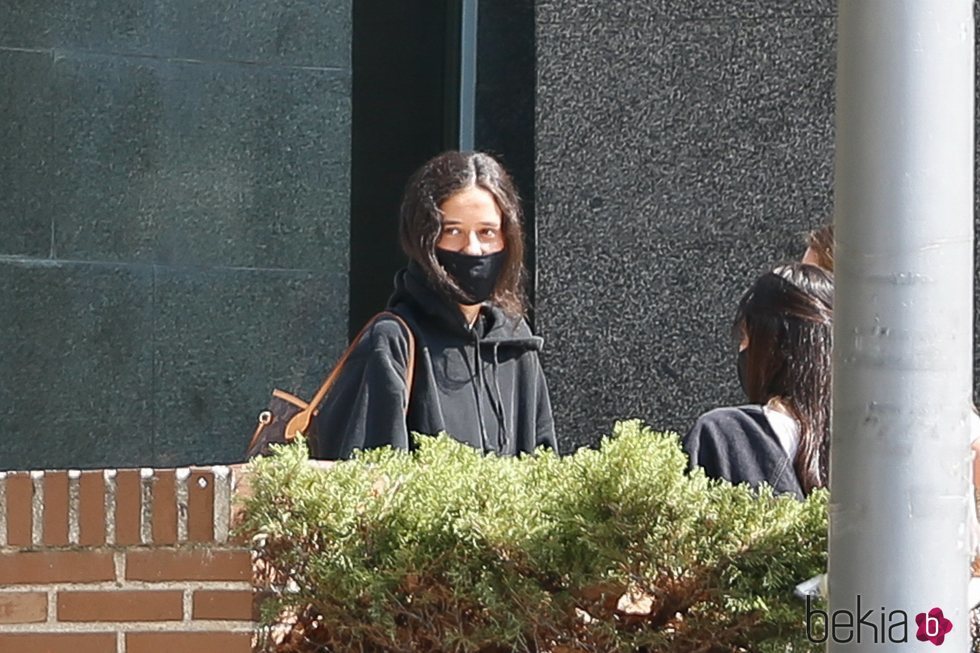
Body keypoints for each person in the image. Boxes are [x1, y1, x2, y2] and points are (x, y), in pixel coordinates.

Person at [312, 151, 557, 459]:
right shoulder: (392, 341)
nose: (473, 248)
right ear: (423, 237)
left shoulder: (515, 344)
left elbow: (544, 472)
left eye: (487, 232)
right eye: (452, 231)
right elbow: (371, 482)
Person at [683, 263, 833, 499]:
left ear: (770, 345)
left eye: (744, 337)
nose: (742, 351)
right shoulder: (874, 457)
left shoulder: (721, 437)